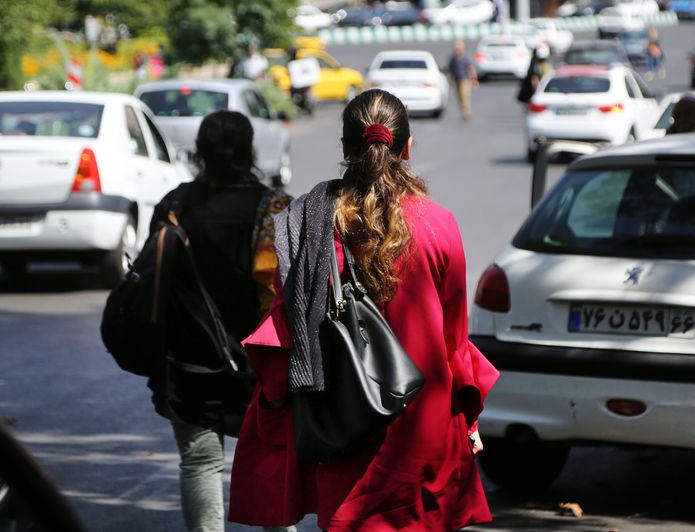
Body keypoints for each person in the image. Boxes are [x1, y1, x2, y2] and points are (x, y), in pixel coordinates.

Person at [228, 89, 499, 531]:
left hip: (343, 432)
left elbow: (285, 329)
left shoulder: (308, 224)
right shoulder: (439, 224)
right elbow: (455, 343)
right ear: (407, 147)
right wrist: (469, 418)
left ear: (345, 149)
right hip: (422, 433)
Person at [147, 110, 294, 532]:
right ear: (249, 151)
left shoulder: (174, 205)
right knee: (271, 462)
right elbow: (288, 293)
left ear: (200, 153)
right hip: (263, 367)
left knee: (199, 462)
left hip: (189, 361)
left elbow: (154, 282)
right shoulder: (275, 209)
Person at [446, 39, 479, 120]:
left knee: (464, 96)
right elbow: (450, 69)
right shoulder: (453, 58)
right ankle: (463, 111)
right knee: (459, 96)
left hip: (465, 80)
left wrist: (474, 80)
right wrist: (449, 80)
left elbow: (471, 69)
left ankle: (466, 113)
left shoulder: (465, 58)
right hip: (456, 80)